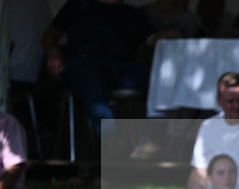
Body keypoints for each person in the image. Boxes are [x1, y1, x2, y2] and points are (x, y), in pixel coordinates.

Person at [42, 0, 172, 140]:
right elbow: (50, 34)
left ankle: (150, 143)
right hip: (83, 63)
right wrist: (52, 52)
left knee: (161, 83)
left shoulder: (134, 13)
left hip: (123, 67)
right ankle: (112, 143)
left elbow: (152, 39)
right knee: (92, 84)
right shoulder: (78, 4)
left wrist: (167, 35)